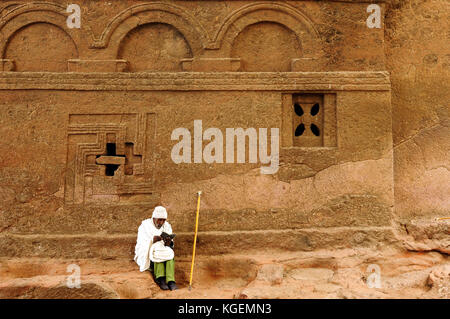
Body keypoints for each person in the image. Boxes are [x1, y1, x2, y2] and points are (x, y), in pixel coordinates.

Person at [134, 206, 178, 291]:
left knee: (169, 252)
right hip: (149, 255)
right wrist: (152, 241)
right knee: (157, 251)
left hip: (162, 250)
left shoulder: (167, 226)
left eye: (163, 220)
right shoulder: (145, 226)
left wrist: (168, 242)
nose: (161, 222)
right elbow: (142, 244)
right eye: (159, 220)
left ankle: (171, 281)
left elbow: (170, 245)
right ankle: (160, 278)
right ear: (154, 218)